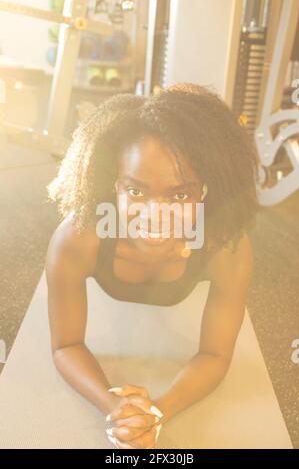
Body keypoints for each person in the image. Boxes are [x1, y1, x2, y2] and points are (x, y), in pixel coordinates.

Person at [45, 83, 259, 449]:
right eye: (137, 192)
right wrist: (115, 408)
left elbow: (215, 354)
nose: (157, 215)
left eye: (180, 194)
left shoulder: (226, 249)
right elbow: (65, 345)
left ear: (206, 191)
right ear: (113, 185)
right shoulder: (77, 240)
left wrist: (157, 412)